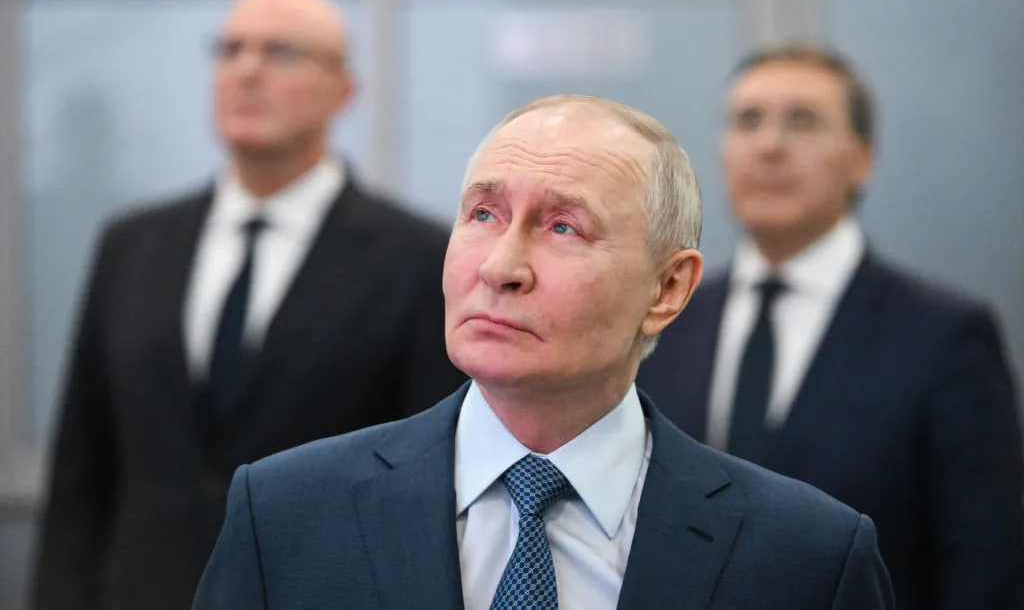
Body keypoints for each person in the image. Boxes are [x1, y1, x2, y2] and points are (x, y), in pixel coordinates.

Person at [192, 95, 894, 609]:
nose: (500, 266)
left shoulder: (807, 557)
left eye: (563, 227)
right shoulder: (285, 514)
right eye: (483, 214)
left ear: (667, 288)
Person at [32, 0, 465, 610]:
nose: (247, 71)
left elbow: (425, 476)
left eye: (280, 51)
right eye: (230, 49)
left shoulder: (417, 259)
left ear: (344, 90)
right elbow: (81, 470)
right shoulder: (132, 246)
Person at [638, 42, 1024, 609]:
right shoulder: (666, 321)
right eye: (748, 120)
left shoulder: (945, 338)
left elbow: (985, 568)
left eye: (802, 121)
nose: (769, 145)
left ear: (861, 159)